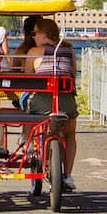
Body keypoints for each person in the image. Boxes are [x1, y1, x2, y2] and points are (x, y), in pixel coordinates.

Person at [24, 17, 80, 191]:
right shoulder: (69, 50)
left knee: (30, 112)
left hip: (43, 102)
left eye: (34, 33)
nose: (33, 37)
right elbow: (73, 75)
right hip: (66, 101)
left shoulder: (34, 51)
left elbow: (27, 79)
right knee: (70, 134)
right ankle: (68, 175)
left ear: (43, 34)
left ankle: (26, 140)